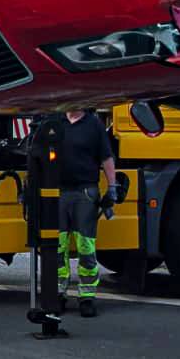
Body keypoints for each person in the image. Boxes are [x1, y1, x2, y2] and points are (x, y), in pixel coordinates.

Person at [56, 108, 117, 318]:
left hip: (85, 193)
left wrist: (112, 188)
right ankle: (58, 293)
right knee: (57, 246)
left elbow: (107, 158)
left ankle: (87, 297)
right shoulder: (55, 123)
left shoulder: (94, 125)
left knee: (86, 246)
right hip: (58, 192)